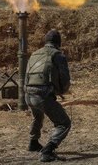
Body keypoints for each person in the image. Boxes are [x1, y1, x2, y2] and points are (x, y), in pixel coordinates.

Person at [25, 29, 71, 162]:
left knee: (38, 116)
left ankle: (33, 143)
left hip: (28, 94)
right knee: (64, 123)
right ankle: (47, 151)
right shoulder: (58, 55)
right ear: (58, 43)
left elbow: (26, 74)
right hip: (43, 95)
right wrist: (62, 91)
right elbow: (65, 79)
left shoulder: (34, 54)